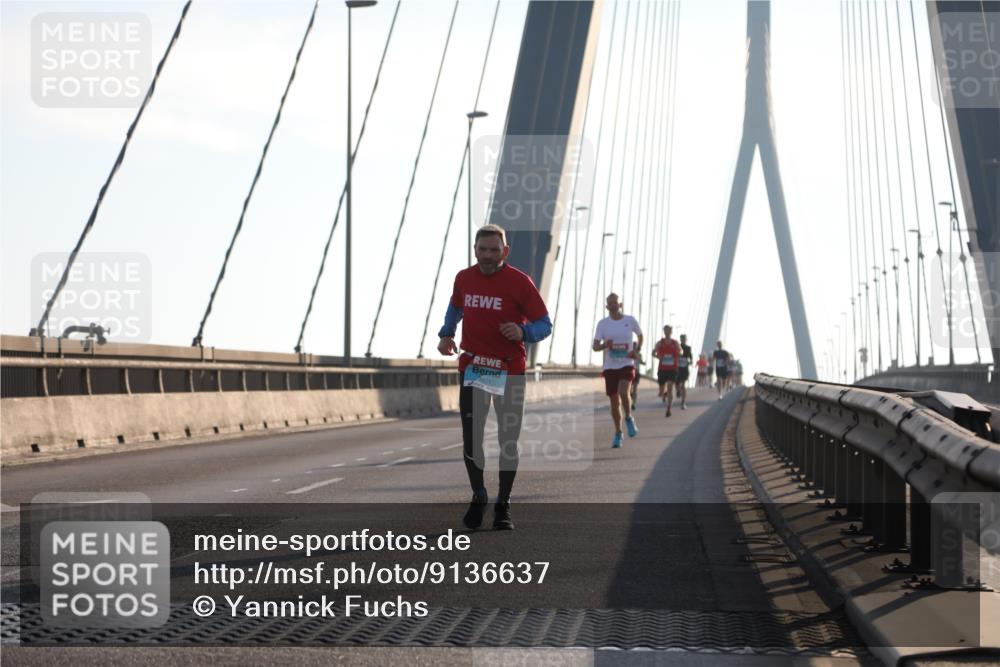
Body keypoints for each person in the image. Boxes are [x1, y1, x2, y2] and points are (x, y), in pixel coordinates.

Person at [438, 224, 552, 531]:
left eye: (494, 250)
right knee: (471, 438)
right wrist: (447, 333)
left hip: (509, 369)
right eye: (482, 250)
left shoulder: (520, 283)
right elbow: (455, 305)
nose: (488, 255)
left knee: (508, 441)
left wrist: (523, 331)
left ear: (505, 251)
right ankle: (479, 495)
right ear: (475, 250)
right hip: (473, 367)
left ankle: (503, 505)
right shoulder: (464, 278)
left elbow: (545, 324)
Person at [593, 293, 643, 448]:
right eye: (610, 303)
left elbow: (640, 336)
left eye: (616, 302)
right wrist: (604, 346)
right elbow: (595, 346)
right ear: (607, 306)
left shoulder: (630, 320)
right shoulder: (602, 324)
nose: (613, 305)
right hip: (610, 366)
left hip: (627, 363)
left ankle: (628, 417)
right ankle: (618, 433)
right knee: (614, 402)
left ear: (620, 305)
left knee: (624, 392)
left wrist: (637, 349)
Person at [652, 325, 681, 417]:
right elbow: (653, 353)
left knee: (670, 387)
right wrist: (658, 357)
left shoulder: (675, 343)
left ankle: (669, 408)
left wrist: (678, 354)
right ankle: (663, 393)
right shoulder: (660, 343)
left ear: (671, 332)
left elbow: (681, 351)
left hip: (672, 368)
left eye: (669, 330)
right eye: (666, 330)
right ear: (664, 331)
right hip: (662, 369)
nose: (668, 332)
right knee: (660, 393)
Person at [676, 333, 693, 409]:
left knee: (683, 384)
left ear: (686, 340)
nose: (683, 340)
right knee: (677, 384)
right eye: (682, 338)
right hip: (677, 368)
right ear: (680, 339)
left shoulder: (688, 348)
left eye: (684, 339)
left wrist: (690, 361)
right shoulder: (677, 347)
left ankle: (683, 403)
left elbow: (690, 357)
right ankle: (678, 390)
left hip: (685, 368)